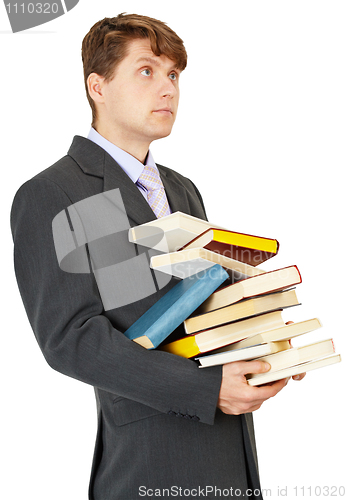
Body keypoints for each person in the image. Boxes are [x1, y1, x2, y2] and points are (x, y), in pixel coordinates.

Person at [11, 13, 303, 500]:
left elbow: (201, 304)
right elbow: (70, 339)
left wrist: (263, 339)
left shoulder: (182, 189)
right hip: (150, 461)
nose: (167, 89)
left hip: (230, 447)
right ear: (97, 86)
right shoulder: (55, 192)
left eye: (173, 75)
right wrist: (204, 390)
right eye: (147, 71)